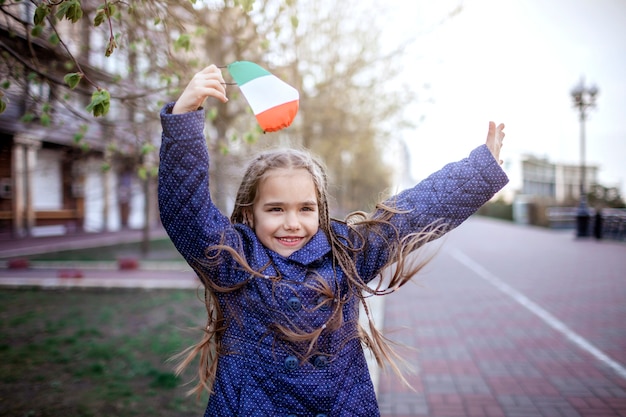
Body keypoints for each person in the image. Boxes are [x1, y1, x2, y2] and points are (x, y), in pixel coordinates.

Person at [158, 64, 509, 417]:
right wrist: (184, 119)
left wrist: (479, 173)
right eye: (276, 209)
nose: (292, 223)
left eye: (305, 208)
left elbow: (411, 213)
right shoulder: (234, 260)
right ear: (251, 213)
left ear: (321, 210)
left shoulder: (345, 253)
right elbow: (186, 210)